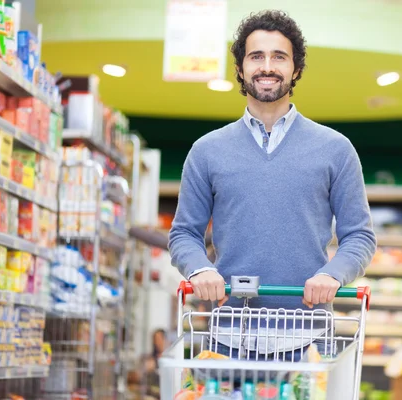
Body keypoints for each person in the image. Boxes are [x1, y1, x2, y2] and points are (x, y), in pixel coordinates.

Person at [132, 10, 376, 358]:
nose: (267, 66)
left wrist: (333, 275)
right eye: (256, 56)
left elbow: (360, 236)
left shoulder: (335, 149)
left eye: (279, 56)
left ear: (296, 69)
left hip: (308, 340)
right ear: (241, 69)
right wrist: (200, 268)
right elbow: (184, 233)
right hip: (230, 337)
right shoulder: (207, 151)